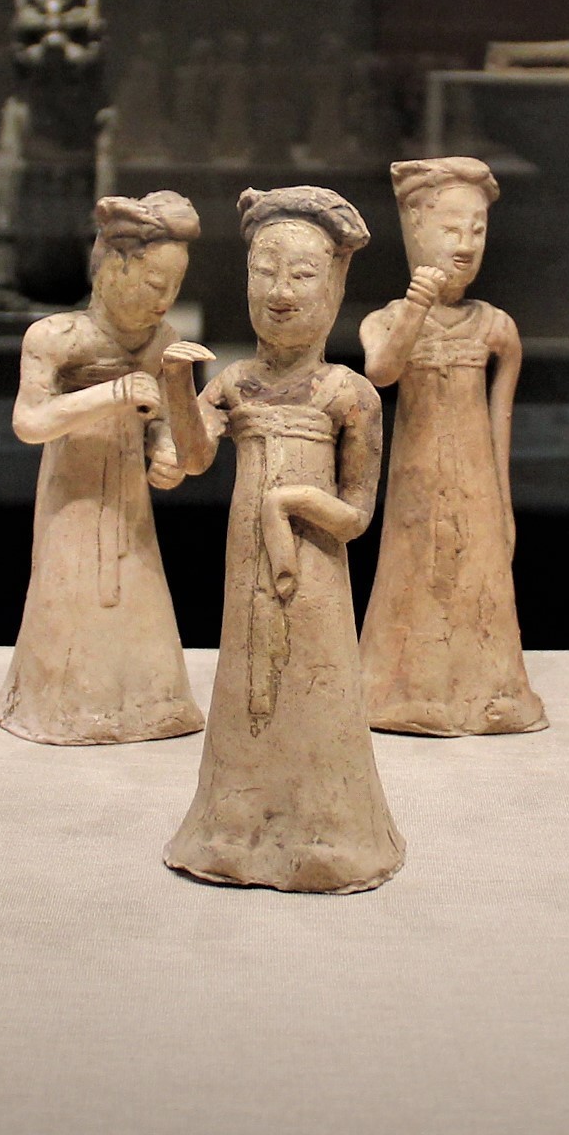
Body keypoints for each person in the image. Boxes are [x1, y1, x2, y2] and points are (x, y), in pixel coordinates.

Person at [164, 186, 402, 892]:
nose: (280, 292)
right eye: (264, 272)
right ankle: (234, 830)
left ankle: (329, 831)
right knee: (247, 690)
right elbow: (191, 460)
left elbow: (355, 516)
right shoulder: (235, 383)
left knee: (316, 692)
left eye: (302, 275)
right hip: (247, 576)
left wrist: (291, 503)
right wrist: (177, 385)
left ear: (335, 284)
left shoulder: (349, 394)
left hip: (316, 575)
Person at [0, 192, 214, 744]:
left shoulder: (164, 341)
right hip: (73, 496)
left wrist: (165, 451)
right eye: (154, 284)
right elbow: (30, 421)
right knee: (70, 592)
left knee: (138, 596)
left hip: (128, 504)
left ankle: (147, 706)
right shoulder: (55, 337)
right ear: (114, 266)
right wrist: (110, 395)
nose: (166, 300)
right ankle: (62, 707)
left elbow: (163, 420)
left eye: (175, 287)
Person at [360, 156, 541, 737]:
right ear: (415, 230)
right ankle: (403, 690)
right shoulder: (386, 319)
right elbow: (382, 373)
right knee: (414, 573)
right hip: (415, 482)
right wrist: (416, 307)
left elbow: (500, 425)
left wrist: (504, 509)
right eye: (451, 229)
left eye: (477, 231)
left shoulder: (496, 327)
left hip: (476, 485)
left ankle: (488, 691)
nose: (465, 246)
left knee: (478, 580)